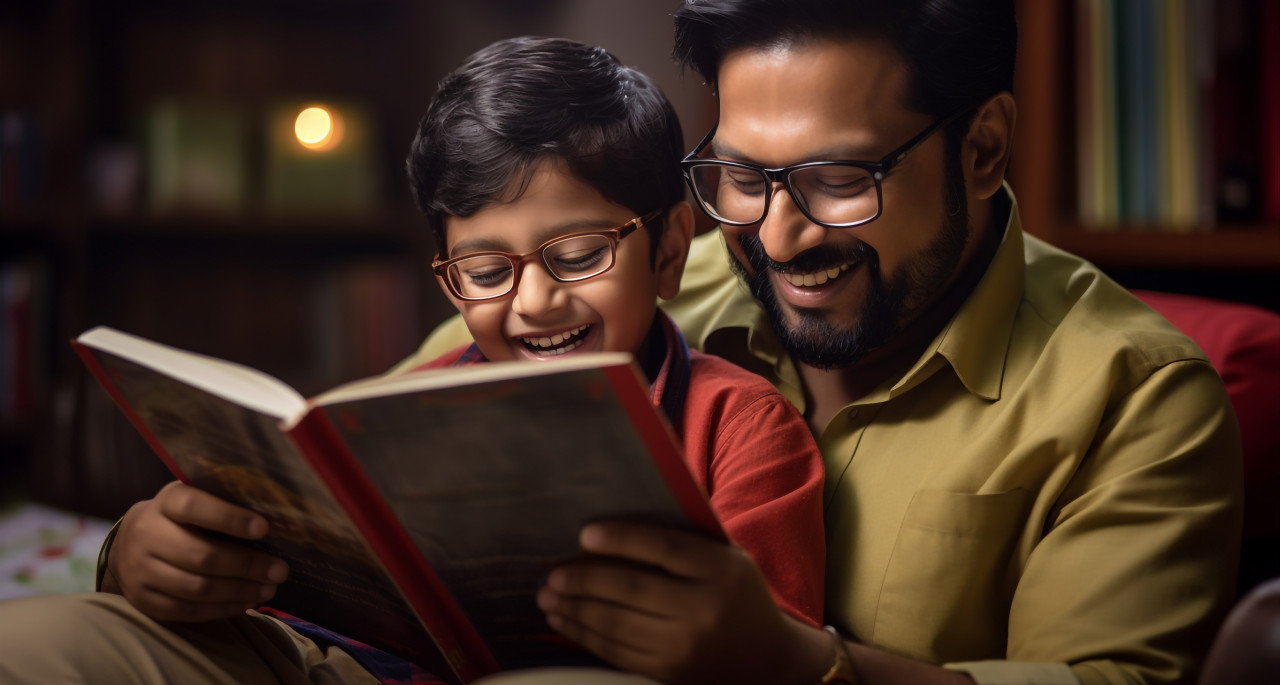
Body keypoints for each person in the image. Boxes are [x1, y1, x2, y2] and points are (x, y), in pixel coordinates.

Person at [409, 0, 1244, 685]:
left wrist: (791, 661)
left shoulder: (1137, 398)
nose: (779, 239)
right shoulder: (627, 289)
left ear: (983, 149)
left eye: (839, 178)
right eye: (743, 176)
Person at [0, 36, 827, 684]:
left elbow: (772, 655)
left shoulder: (741, 426)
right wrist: (137, 558)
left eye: (579, 255)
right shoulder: (408, 407)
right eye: (487, 271)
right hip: (329, 665)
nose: (535, 301)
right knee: (32, 640)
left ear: (670, 249)